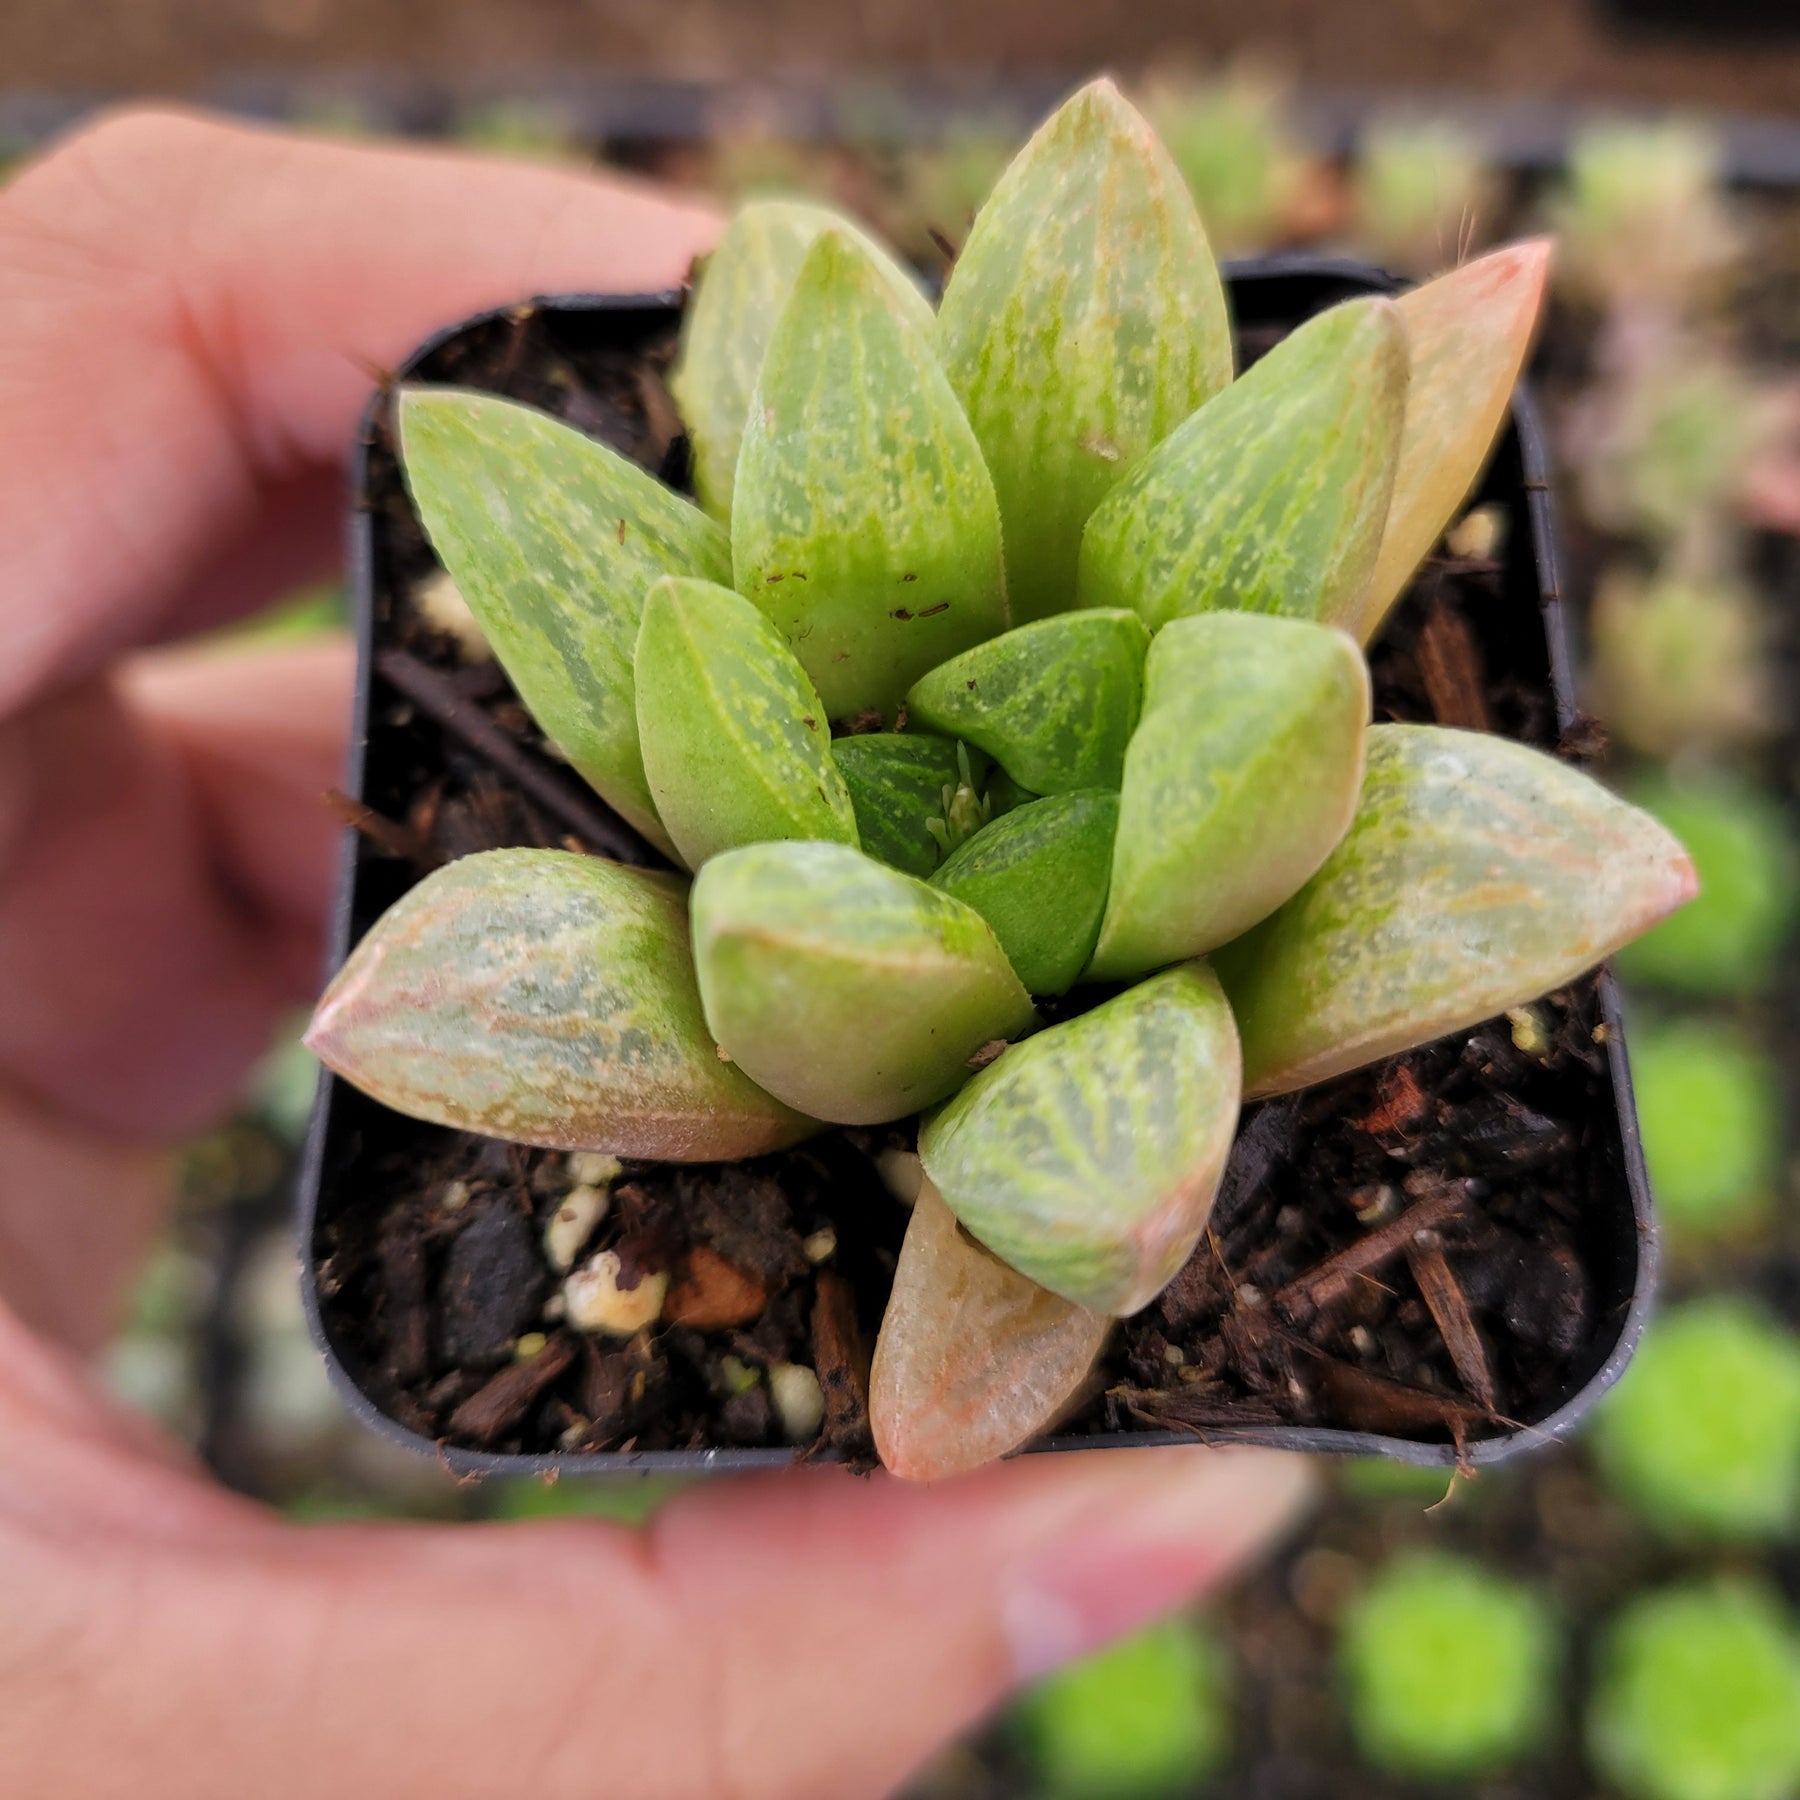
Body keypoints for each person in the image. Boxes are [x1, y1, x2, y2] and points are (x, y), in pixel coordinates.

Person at [0, 110, 1312, 1797]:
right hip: (760, 977)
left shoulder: (1213, 776)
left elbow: (1131, 1124)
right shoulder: (746, 873)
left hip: (1101, 1014)